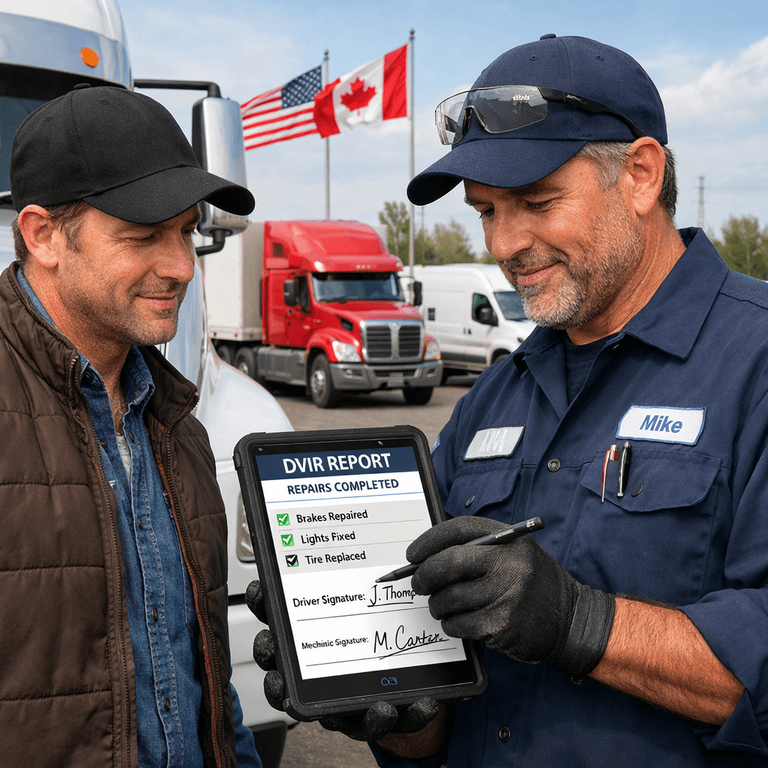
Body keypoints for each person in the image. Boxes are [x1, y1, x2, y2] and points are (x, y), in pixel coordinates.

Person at [249, 34, 768, 766]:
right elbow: (441, 717)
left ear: (641, 175)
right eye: (487, 211)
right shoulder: (493, 397)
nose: (503, 243)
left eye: (536, 202)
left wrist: (579, 623)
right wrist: (383, 702)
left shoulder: (754, 362)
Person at [0, 85, 261, 767]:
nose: (180, 268)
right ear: (43, 235)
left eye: (186, 232)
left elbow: (207, 684)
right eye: (143, 236)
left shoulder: (176, 420)